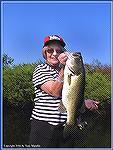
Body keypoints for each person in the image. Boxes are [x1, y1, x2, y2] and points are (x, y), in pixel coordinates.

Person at [29, 35, 100, 147]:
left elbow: (70, 94)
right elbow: (54, 92)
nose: (54, 54)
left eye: (58, 51)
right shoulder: (40, 69)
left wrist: (83, 102)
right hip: (44, 128)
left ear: (63, 53)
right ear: (44, 53)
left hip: (67, 127)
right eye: (50, 51)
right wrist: (63, 68)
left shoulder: (68, 71)